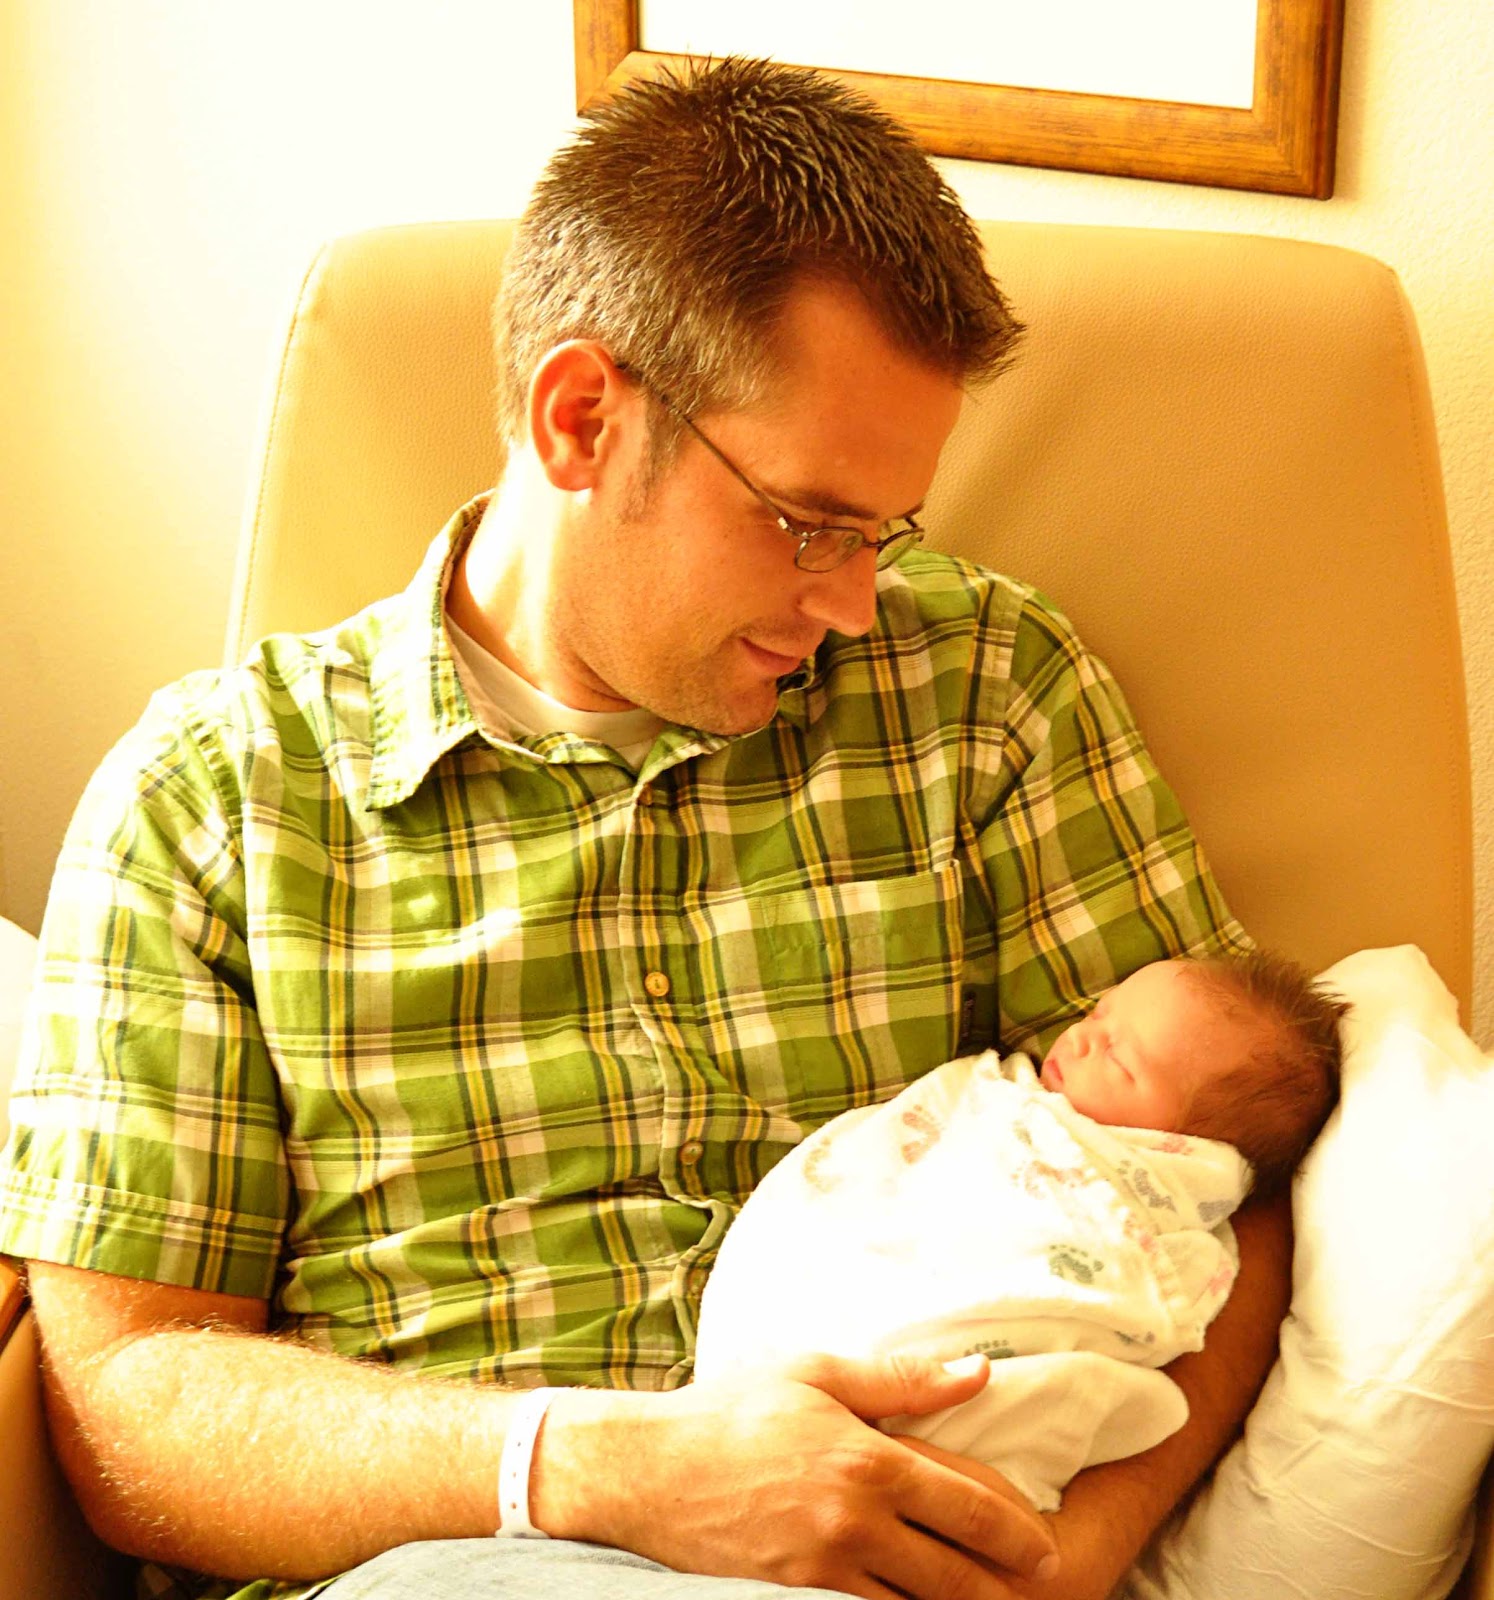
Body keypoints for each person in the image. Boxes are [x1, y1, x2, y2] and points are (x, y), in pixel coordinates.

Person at [0, 57, 1284, 1600]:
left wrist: (1077, 1549)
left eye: (886, 532)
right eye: (809, 521)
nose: (852, 602)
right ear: (580, 417)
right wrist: (598, 1470)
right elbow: (128, 1399)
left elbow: (1233, 1185)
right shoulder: (214, 805)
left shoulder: (982, 693)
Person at [695, 953, 1346, 1512]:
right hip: (735, 1413)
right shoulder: (997, 1102)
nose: (1084, 1040)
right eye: (1098, 1016)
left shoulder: (1147, 1193)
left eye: (1121, 1062)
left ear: (1178, 1145)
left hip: (936, 1390)